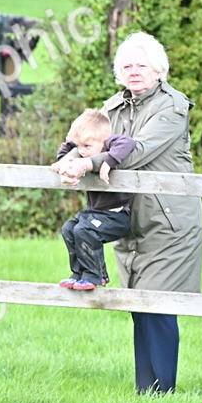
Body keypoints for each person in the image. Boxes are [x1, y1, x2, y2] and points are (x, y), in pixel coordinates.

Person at [52, 32, 202, 394]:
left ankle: (162, 393)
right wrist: (67, 162)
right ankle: (145, 393)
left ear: (159, 70)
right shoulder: (112, 108)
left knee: (158, 306)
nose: (134, 71)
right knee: (139, 306)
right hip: (126, 220)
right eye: (127, 65)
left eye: (142, 65)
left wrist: (87, 163)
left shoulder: (172, 107)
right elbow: (84, 140)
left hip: (168, 223)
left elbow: (135, 151)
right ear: (118, 72)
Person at [54, 108, 136, 291]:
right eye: (80, 146)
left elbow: (128, 143)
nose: (82, 152)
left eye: (87, 146)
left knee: (84, 230)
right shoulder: (82, 149)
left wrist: (108, 160)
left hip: (115, 215)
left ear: (104, 142)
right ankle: (79, 273)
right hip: (94, 212)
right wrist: (64, 161)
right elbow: (67, 147)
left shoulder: (111, 144)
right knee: (69, 228)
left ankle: (96, 275)